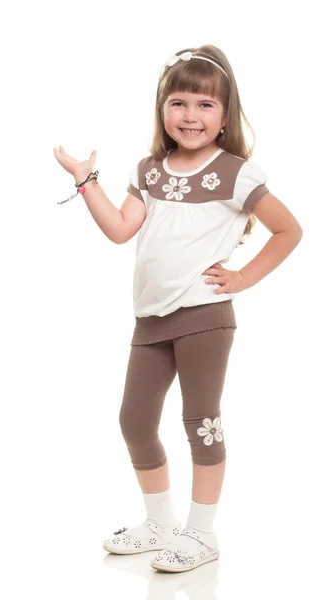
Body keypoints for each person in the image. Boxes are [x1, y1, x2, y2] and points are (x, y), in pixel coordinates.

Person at [53, 44, 303, 573]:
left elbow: (289, 230)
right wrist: (84, 178)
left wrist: (240, 277)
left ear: (225, 117)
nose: (191, 115)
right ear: (163, 109)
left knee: (201, 422)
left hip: (204, 317)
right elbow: (121, 230)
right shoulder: (147, 170)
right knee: (135, 420)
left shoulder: (236, 172)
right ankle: (160, 524)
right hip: (150, 318)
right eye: (179, 103)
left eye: (205, 105)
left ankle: (202, 534)